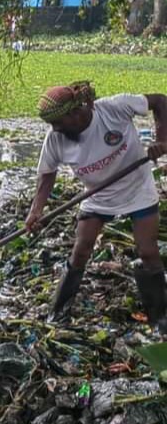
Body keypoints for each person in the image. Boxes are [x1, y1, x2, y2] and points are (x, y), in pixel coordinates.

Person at [25, 82, 167, 329]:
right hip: (97, 196)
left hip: (137, 189)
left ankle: (161, 319)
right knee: (80, 251)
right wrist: (36, 210)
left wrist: (162, 140)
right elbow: (47, 174)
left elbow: (160, 101)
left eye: (58, 122)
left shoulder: (114, 108)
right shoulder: (56, 138)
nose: (55, 128)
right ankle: (57, 313)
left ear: (75, 112)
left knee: (147, 252)